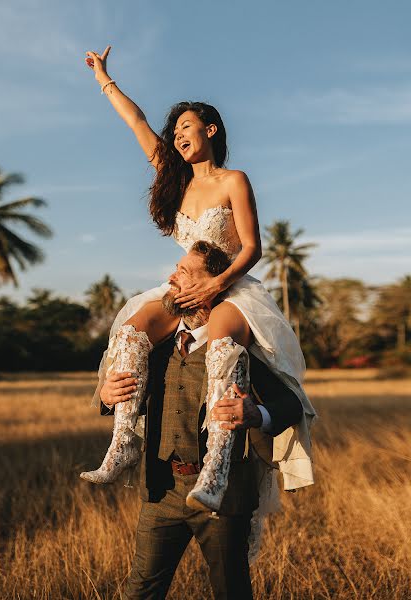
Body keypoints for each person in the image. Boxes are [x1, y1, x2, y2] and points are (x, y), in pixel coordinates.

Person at [80, 45, 315, 511]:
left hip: (227, 284)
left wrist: (216, 284)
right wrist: (103, 78)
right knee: (131, 330)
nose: (176, 134)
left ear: (209, 130)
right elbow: (137, 122)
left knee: (224, 341)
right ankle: (124, 440)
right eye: (175, 131)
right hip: (184, 286)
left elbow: (252, 248)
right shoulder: (173, 176)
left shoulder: (233, 180)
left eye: (185, 126)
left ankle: (217, 465)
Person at [96, 242, 311, 599]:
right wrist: (107, 397)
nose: (170, 279)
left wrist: (258, 414)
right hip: (161, 489)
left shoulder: (244, 349)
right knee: (141, 591)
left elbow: (293, 403)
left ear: (210, 287)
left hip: (225, 498)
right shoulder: (155, 347)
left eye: (182, 273)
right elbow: (125, 395)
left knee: (231, 591)